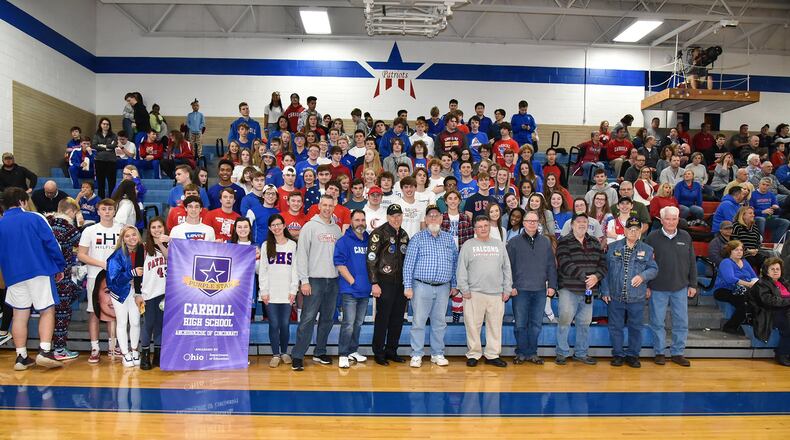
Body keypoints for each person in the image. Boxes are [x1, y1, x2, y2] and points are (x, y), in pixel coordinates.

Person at [0, 188, 66, 370]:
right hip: (39, 270)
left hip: (13, 275)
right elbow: (52, 243)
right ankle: (44, 351)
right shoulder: (35, 217)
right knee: (47, 310)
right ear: (22, 201)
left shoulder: (1, 223)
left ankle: (21, 357)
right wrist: (60, 266)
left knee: (19, 314)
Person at [403, 204, 459, 368]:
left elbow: (455, 263)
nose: (433, 218)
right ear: (426, 220)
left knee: (439, 322)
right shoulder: (417, 238)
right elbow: (408, 265)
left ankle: (437, 353)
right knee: (419, 322)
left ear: (442, 219)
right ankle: (417, 354)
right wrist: (408, 286)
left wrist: (454, 284)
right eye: (430, 216)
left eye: (437, 215)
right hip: (421, 286)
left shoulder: (449, 238)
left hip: (443, 287)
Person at [291, 195, 342, 371]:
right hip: (314, 280)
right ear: (319, 206)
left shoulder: (336, 229)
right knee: (307, 319)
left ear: (334, 206)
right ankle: (297, 354)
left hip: (333, 280)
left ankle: (320, 352)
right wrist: (304, 281)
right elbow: (302, 255)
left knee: (327, 319)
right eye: (324, 205)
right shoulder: (309, 227)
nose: (327, 208)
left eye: (330, 205)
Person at [601, 217, 658, 368]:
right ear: (625, 231)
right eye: (630, 229)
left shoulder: (647, 249)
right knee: (615, 327)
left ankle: (633, 355)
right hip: (615, 295)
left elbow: (654, 269)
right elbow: (604, 270)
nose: (633, 232)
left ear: (640, 232)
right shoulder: (612, 247)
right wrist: (605, 290)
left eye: (636, 230)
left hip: (637, 297)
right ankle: (618, 354)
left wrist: (643, 276)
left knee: (636, 327)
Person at [456, 214, 512, 368]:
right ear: (475, 229)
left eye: (486, 226)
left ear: (489, 227)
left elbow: (507, 268)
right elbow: (461, 269)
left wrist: (507, 288)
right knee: (473, 326)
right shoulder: (468, 245)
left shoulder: (499, 245)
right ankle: (474, 354)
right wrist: (464, 289)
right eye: (479, 226)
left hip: (496, 294)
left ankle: (492, 354)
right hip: (474, 293)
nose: (483, 229)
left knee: (495, 326)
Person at [645, 206, 697, 367]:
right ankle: (659, 352)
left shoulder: (686, 236)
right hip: (657, 287)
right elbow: (646, 263)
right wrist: (646, 285)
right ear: (661, 220)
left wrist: (693, 284)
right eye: (668, 219)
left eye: (674, 219)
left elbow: (692, 262)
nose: (671, 222)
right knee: (657, 322)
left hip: (680, 286)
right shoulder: (652, 237)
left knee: (681, 322)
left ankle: (677, 352)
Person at [554, 213, 607, 366]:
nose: (582, 224)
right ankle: (562, 353)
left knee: (584, 323)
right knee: (565, 320)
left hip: (589, 290)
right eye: (579, 221)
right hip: (569, 289)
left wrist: (596, 277)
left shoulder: (595, 243)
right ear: (572, 225)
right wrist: (586, 278)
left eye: (585, 221)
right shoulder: (564, 241)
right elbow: (564, 263)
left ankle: (581, 353)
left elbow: (603, 265)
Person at [507, 210, 557, 364]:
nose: (532, 224)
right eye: (529, 221)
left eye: (535, 221)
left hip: (540, 289)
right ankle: (521, 352)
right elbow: (507, 267)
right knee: (521, 323)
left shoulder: (545, 242)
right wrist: (511, 285)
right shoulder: (514, 242)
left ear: (538, 224)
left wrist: (552, 285)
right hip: (520, 289)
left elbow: (551, 265)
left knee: (536, 324)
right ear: (523, 223)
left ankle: (532, 352)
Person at [78, 198, 122, 362]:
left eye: (110, 209)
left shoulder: (121, 229)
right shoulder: (90, 230)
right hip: (94, 277)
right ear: (98, 211)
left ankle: (113, 347)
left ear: (114, 211)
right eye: (104, 209)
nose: (107, 212)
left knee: (114, 312)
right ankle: (95, 348)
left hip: (116, 278)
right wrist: (103, 264)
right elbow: (81, 254)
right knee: (94, 312)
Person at [258, 214, 297, 368]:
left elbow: (295, 268)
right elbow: (263, 270)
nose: (276, 227)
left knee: (285, 324)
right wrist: (264, 291)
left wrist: (294, 289)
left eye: (279, 224)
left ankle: (285, 352)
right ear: (269, 228)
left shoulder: (292, 245)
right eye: (273, 225)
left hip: (287, 292)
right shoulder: (266, 245)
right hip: (271, 293)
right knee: (274, 324)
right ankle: (275, 354)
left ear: (284, 225)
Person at [333, 210, 371, 369]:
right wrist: (352, 281)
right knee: (348, 323)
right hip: (350, 290)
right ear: (351, 221)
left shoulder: (369, 240)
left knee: (358, 323)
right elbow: (339, 264)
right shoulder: (344, 241)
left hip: (365, 290)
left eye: (363, 220)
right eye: (357, 220)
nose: (360, 223)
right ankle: (343, 354)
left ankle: (352, 351)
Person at [47, 198, 83, 361]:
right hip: (63, 274)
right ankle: (59, 349)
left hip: (46, 274)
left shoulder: (47, 223)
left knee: (48, 312)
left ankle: (46, 347)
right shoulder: (69, 228)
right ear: (71, 212)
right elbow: (82, 244)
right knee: (62, 312)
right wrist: (80, 225)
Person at [106, 225, 144, 368]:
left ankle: (134, 350)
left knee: (135, 321)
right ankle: (124, 352)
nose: (131, 238)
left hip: (137, 292)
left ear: (138, 235)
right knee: (122, 322)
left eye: (134, 235)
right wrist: (132, 274)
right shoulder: (116, 255)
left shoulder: (144, 250)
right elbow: (113, 279)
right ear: (123, 239)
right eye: (127, 236)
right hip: (120, 293)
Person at [748, 258, 790, 366]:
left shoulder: (783, 282)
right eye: (772, 269)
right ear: (767, 271)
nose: (776, 271)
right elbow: (768, 301)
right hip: (768, 312)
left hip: (784, 310)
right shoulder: (762, 283)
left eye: (778, 269)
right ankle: (782, 354)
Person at [139, 217, 168, 370]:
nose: (157, 230)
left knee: (160, 325)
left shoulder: (171, 245)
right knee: (148, 324)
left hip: (166, 292)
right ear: (149, 231)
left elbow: (170, 257)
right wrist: (138, 292)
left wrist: (161, 243)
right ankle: (144, 355)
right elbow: (137, 271)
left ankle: (158, 354)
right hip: (148, 292)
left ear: (164, 228)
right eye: (153, 227)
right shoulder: (143, 248)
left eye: (159, 227)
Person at [713, 240, 758, 336]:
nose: (739, 252)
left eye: (741, 250)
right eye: (736, 250)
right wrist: (748, 284)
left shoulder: (745, 262)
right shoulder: (726, 262)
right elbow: (730, 279)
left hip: (743, 289)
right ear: (730, 251)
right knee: (744, 303)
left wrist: (754, 283)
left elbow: (754, 277)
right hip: (724, 290)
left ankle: (751, 324)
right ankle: (729, 326)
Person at [731, 206, 765, 271]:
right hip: (741, 253)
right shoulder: (736, 226)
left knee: (764, 259)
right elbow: (734, 242)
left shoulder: (754, 227)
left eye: (753, 213)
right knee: (750, 260)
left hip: (753, 253)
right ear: (743, 215)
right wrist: (747, 250)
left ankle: (762, 279)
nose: (753, 215)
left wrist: (756, 250)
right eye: (750, 213)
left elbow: (758, 241)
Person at [92, 118, 118, 198]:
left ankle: (112, 199)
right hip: (99, 161)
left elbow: (113, 146)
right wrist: (107, 147)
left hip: (111, 161)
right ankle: (101, 200)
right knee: (101, 182)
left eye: (107, 124)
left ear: (109, 126)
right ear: (100, 124)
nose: (105, 125)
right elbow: (94, 145)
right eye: (104, 124)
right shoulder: (96, 135)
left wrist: (102, 145)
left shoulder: (113, 135)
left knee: (111, 182)